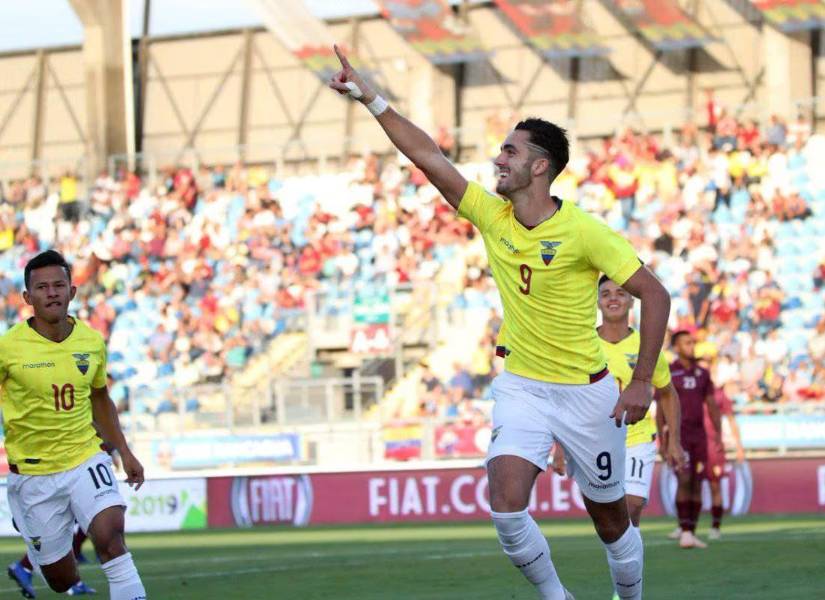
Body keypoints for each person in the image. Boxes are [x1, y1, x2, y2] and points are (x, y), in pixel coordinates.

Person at [329, 45, 671, 600]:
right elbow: (429, 158)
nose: (498, 160)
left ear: (540, 166)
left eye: (509, 152)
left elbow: (655, 295)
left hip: (588, 396)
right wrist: (372, 99)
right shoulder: (493, 215)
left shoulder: (585, 232)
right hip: (522, 388)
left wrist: (639, 381)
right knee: (506, 507)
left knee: (612, 524)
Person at [0, 250, 147, 599]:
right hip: (34, 476)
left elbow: (100, 398)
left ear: (72, 292)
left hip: (84, 458)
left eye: (58, 285)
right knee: (61, 580)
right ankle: (38, 541)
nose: (51, 292)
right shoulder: (8, 348)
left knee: (111, 537)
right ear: (27, 297)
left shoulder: (91, 342)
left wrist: (125, 452)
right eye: (42, 287)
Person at [552, 276, 685, 600]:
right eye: (606, 293)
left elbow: (667, 394)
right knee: (611, 523)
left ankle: (623, 592)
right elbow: (562, 396)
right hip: (593, 443)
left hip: (637, 437)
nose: (613, 298)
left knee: (631, 506)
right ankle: (627, 581)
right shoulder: (584, 345)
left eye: (621, 293)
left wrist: (673, 441)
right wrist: (558, 445)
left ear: (631, 301)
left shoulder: (645, 346)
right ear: (597, 301)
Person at [667, 330, 721, 549]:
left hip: (699, 436)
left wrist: (718, 433)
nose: (691, 346)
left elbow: (711, 404)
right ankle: (684, 529)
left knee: (698, 482)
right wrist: (666, 436)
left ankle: (692, 531)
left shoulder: (703, 373)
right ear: (677, 347)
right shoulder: (670, 372)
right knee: (684, 479)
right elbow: (663, 403)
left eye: (692, 343)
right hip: (679, 435)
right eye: (686, 343)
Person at [703, 386, 746, 540]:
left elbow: (731, 420)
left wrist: (739, 446)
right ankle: (685, 528)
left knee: (715, 486)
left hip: (714, 448)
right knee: (688, 485)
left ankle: (715, 527)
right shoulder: (689, 388)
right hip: (692, 446)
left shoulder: (719, 395)